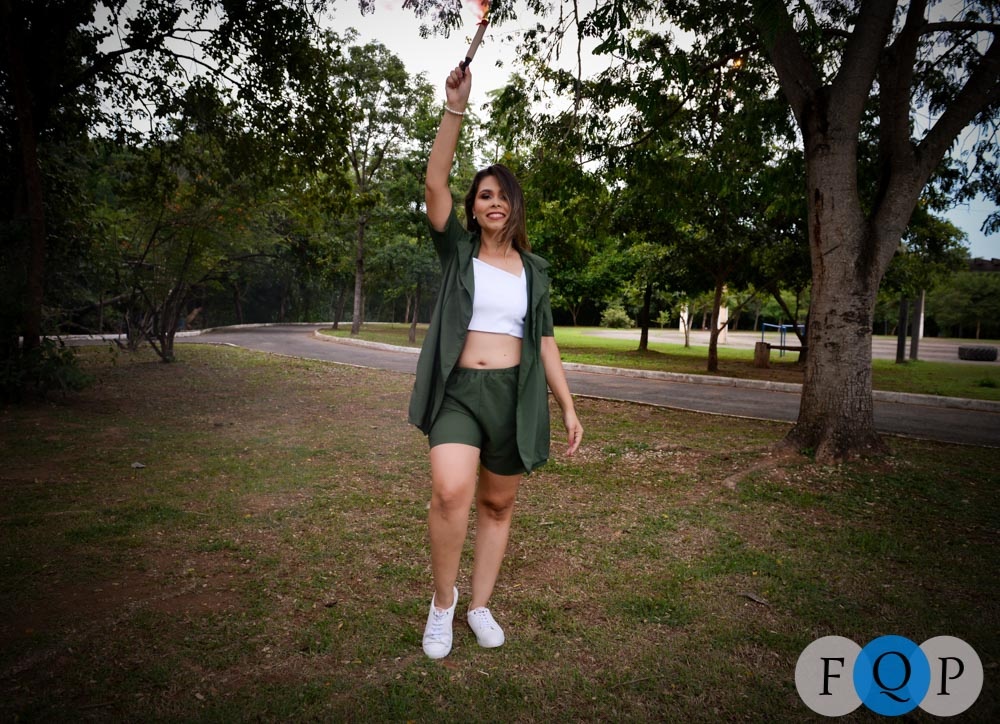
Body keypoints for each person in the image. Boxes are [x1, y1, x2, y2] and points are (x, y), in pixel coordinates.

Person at [408, 65, 584, 660]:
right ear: (473, 207)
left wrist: (567, 406)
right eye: (484, 195)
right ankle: (443, 604)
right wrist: (454, 107)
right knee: (450, 491)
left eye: (503, 195)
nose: (494, 203)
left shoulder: (534, 271)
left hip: (514, 396)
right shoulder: (457, 252)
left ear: (515, 206)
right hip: (459, 392)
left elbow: (545, 341)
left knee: (498, 503)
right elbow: (434, 181)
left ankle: (479, 605)